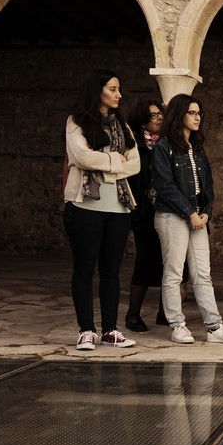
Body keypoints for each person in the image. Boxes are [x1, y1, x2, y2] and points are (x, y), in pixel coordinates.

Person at [152, 93, 223, 345]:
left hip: (198, 218)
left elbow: (208, 185)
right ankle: (177, 325)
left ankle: (214, 327)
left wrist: (206, 212)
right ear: (179, 115)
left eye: (199, 113)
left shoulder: (198, 148)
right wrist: (189, 212)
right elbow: (165, 185)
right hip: (172, 216)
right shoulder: (163, 146)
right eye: (192, 112)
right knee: (174, 273)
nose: (197, 117)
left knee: (203, 274)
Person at [63, 68, 140, 351]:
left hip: (118, 208)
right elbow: (82, 157)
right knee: (84, 270)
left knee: (111, 271)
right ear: (98, 90)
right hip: (84, 206)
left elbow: (136, 163)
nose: (119, 94)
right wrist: (116, 161)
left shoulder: (123, 125)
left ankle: (110, 330)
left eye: (119, 89)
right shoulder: (76, 121)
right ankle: (86, 330)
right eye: (112, 89)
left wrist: (102, 161)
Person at [123, 98, 170, 332]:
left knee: (170, 260)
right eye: (154, 115)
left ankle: (165, 312)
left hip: (167, 209)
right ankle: (133, 314)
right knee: (145, 261)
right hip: (144, 211)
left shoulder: (167, 142)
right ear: (142, 121)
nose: (159, 118)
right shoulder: (135, 145)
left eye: (161, 114)